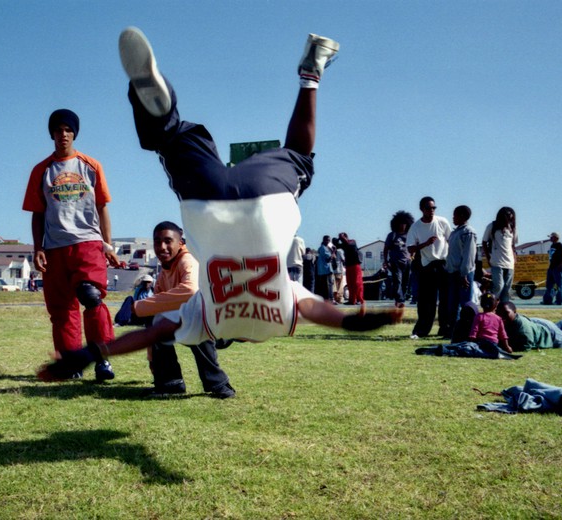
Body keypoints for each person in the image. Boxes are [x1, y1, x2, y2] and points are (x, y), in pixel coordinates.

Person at [38, 27, 401, 381]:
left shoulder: (277, 315)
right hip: (205, 202)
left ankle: (311, 73)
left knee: (299, 155)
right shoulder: (205, 322)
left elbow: (321, 311)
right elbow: (149, 334)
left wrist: (355, 322)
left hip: (265, 197)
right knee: (168, 138)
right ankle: (162, 114)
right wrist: (90, 354)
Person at [23, 108, 119, 381]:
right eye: (58, 130)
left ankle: (102, 359)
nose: (63, 135)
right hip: (54, 247)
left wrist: (108, 245)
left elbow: (102, 208)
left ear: (74, 133)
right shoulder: (41, 170)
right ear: (51, 134)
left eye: (68, 130)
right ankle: (71, 363)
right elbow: (37, 213)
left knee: (91, 297)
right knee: (62, 309)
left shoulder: (91, 166)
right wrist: (37, 248)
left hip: (87, 243)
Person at [122, 221, 234, 398]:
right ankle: (169, 384)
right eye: (157, 241)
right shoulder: (163, 274)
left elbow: (191, 291)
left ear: (180, 242)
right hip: (197, 324)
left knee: (194, 318)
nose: (162, 247)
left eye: (168, 241)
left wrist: (136, 307)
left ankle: (219, 384)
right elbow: (153, 316)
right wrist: (153, 359)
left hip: (220, 327)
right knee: (159, 319)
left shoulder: (188, 260)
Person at [406, 196, 451, 339]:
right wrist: (425, 244)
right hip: (427, 265)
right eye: (428, 208)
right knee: (427, 301)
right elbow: (410, 248)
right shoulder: (416, 227)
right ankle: (422, 330)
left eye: (433, 208)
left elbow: (451, 239)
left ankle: (445, 328)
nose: (431, 210)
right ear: (421, 209)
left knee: (445, 299)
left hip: (443, 263)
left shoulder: (442, 222)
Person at [444, 205, 477, 339]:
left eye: (455, 215)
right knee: (452, 304)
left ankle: (468, 331)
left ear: (463, 216)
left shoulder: (468, 232)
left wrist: (464, 274)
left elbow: (469, 255)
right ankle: (453, 331)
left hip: (463, 273)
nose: (453, 218)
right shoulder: (455, 232)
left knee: (465, 305)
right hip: (452, 272)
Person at [481, 207, 517, 303]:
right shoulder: (492, 226)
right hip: (497, 261)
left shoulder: (512, 228)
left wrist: (514, 257)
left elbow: (513, 245)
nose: (510, 218)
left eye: (511, 216)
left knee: (507, 288)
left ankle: (504, 308)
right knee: (498, 286)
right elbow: (484, 242)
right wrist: (488, 257)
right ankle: (490, 305)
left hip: (510, 263)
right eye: (508, 215)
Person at [383, 210, 414, 308]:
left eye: (404, 223)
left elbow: (413, 247)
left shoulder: (409, 235)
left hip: (407, 261)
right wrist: (386, 261)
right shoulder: (392, 235)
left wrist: (412, 256)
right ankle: (399, 300)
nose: (402, 225)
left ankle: (402, 299)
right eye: (400, 223)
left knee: (405, 282)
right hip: (395, 261)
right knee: (397, 281)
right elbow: (386, 249)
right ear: (396, 224)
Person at [542, 232, 562, 305]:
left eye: (551, 237)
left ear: (556, 238)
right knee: (549, 285)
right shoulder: (552, 245)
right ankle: (547, 300)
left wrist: (561, 266)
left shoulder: (560, 246)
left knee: (559, 285)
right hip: (552, 267)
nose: (550, 238)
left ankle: (560, 301)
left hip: (558, 267)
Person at [338, 233, 363, 306]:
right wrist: (338, 239)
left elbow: (348, 244)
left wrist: (342, 238)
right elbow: (336, 244)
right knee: (350, 284)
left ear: (346, 237)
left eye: (343, 238)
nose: (342, 240)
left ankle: (359, 299)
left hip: (355, 265)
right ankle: (352, 300)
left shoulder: (352, 241)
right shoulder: (344, 245)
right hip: (349, 266)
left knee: (357, 283)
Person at [315, 235, 335, 302]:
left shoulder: (322, 248)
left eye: (329, 240)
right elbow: (328, 259)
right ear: (324, 240)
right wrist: (333, 252)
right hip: (326, 269)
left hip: (323, 270)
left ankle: (326, 299)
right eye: (327, 240)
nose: (328, 241)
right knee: (329, 285)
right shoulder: (324, 248)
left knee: (325, 285)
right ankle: (330, 299)